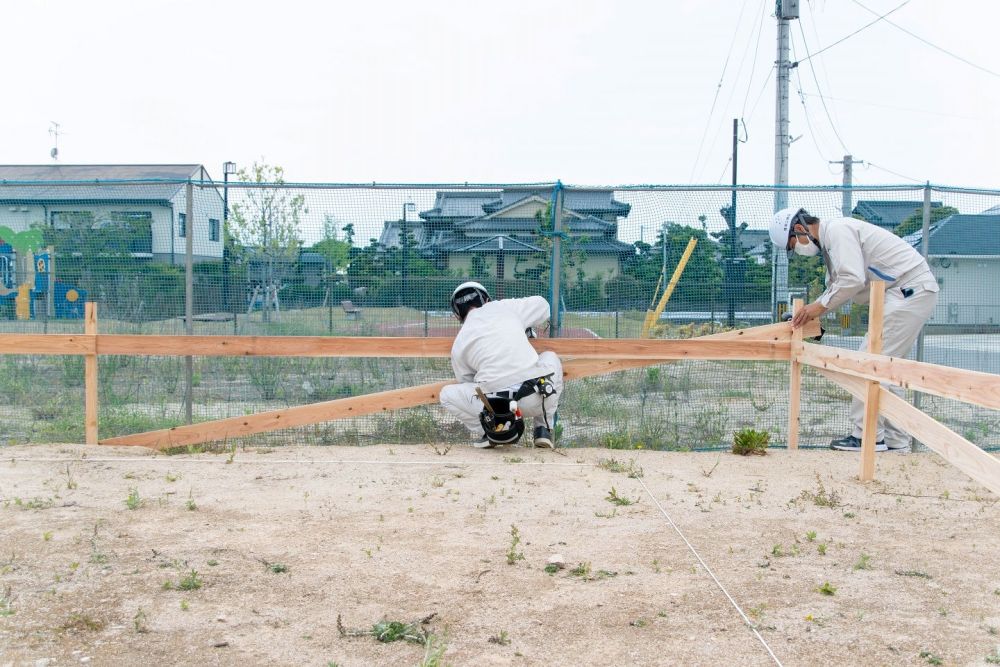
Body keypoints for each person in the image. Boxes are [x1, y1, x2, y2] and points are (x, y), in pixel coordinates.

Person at [770, 207, 939, 452]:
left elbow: (851, 279)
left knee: (868, 363)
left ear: (799, 229)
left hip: (908, 290)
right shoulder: (830, 244)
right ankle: (895, 442)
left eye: (792, 244)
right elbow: (836, 288)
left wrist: (816, 308)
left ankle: (866, 436)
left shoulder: (837, 231)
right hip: (905, 291)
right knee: (886, 370)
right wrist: (814, 317)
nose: (796, 249)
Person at [440, 281, 562, 448]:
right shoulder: (504, 307)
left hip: (495, 407)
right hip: (536, 399)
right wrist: (522, 324)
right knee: (550, 356)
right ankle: (543, 429)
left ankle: (490, 431)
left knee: (446, 395)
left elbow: (467, 382)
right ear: (487, 300)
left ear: (457, 314)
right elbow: (543, 306)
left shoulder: (460, 341)